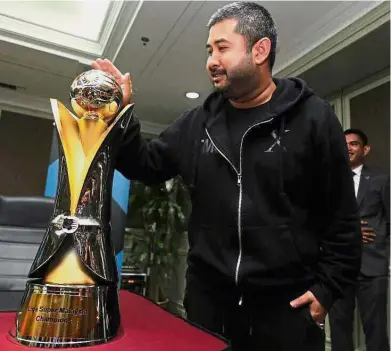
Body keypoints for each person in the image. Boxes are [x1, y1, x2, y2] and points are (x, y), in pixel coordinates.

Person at [92, 2, 361, 350]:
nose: (211, 61)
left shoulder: (313, 118)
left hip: (287, 309)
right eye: (209, 50)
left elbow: (342, 218)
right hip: (210, 305)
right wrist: (122, 114)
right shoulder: (197, 123)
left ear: (260, 50)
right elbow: (145, 165)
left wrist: (327, 290)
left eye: (222, 48)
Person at [329, 129, 390, 351]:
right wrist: (351, 232)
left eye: (354, 144)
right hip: (338, 267)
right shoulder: (330, 184)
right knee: (339, 327)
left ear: (365, 149)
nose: (348, 148)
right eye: (344, 144)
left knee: (375, 328)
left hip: (372, 266)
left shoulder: (382, 180)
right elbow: (320, 223)